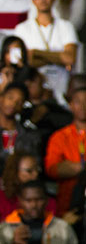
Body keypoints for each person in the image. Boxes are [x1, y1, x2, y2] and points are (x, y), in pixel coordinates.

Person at [14, 0, 79, 107]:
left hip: (62, 88)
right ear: (33, 0)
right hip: (32, 92)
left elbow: (70, 58)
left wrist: (36, 53)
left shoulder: (66, 26)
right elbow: (23, 63)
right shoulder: (22, 29)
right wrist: (58, 57)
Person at [44, 84, 86, 217]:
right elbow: (52, 168)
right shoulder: (60, 137)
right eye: (78, 101)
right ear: (70, 105)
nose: (83, 106)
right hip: (68, 204)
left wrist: (71, 166)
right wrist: (81, 168)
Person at [0, 152, 56, 229]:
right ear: (14, 172)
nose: (36, 174)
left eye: (37, 169)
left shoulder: (48, 201)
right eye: (29, 171)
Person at [0, 180, 78, 244]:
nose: (34, 205)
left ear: (46, 200)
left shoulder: (62, 228)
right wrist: (13, 241)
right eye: (28, 200)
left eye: (38, 200)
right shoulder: (5, 229)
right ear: (19, 201)